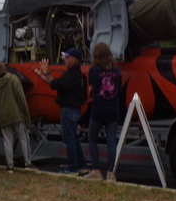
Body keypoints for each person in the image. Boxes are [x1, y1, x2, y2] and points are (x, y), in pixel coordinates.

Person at [35, 48, 89, 176]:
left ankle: (73, 168)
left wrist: (46, 73)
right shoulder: (77, 76)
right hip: (74, 110)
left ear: (74, 60)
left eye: (67, 57)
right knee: (73, 138)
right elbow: (56, 83)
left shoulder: (71, 75)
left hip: (68, 110)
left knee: (69, 139)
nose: (64, 59)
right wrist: (44, 76)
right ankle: (81, 166)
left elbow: (56, 84)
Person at [84, 42, 123, 181]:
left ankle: (96, 170)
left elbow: (91, 88)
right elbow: (119, 89)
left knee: (92, 138)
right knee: (111, 141)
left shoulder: (93, 70)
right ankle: (111, 173)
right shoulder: (117, 71)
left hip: (98, 110)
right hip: (113, 111)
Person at [0, 60, 34, 172]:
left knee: (7, 141)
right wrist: (27, 117)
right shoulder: (13, 79)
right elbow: (21, 99)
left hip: (3, 117)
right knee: (24, 139)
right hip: (17, 115)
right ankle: (28, 163)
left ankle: (10, 166)